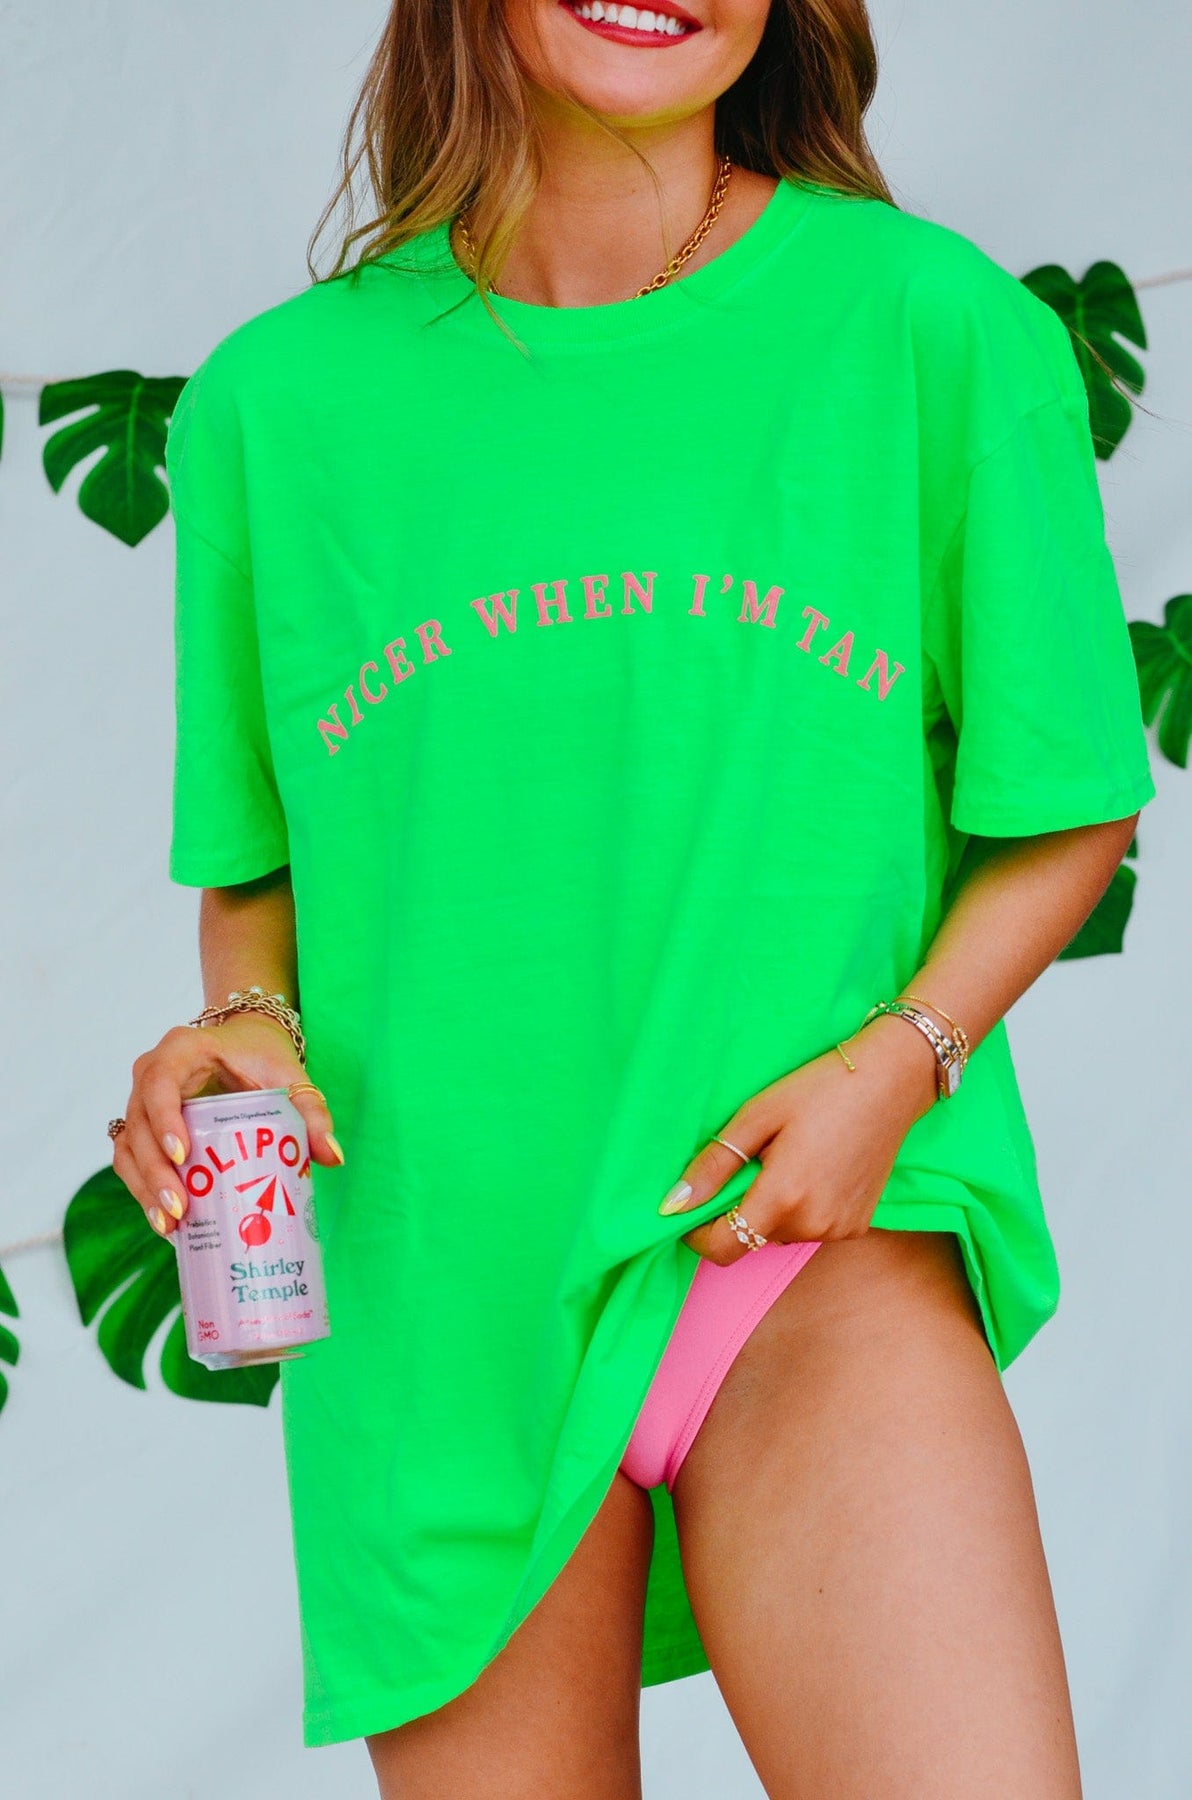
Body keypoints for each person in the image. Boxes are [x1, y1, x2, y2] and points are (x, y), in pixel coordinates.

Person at [111, 0, 1156, 1793]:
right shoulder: (276, 408)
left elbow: (1069, 808)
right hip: (438, 1312)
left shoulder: (931, 327)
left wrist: (898, 1063)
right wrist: (245, 1030)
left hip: (801, 1242)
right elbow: (265, 871)